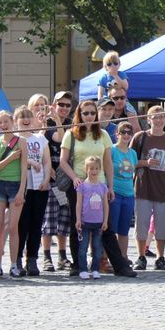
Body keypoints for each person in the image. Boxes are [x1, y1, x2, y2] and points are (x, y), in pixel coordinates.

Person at [61, 100, 136, 278]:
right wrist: (75, 178)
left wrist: (110, 186)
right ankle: (78, 265)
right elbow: (63, 162)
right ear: (79, 114)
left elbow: (108, 163)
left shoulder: (103, 135)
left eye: (92, 113)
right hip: (79, 186)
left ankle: (120, 266)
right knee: (77, 225)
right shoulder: (71, 134)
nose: (89, 116)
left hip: (100, 185)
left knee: (106, 226)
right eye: (85, 113)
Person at [130, 105, 165, 271]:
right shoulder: (140, 137)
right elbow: (128, 161)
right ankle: (141, 256)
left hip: (163, 189)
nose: (158, 120)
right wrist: (145, 163)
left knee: (163, 226)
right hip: (143, 187)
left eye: (161, 117)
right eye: (154, 117)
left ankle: (160, 257)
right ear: (148, 120)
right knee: (141, 225)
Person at [0, 110, 28, 279]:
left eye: (6, 121)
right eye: (0, 123)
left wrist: (21, 192)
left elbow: (24, 169)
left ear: (12, 122)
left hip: (16, 185)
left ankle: (13, 265)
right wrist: (10, 158)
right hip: (0, 185)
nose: (4, 125)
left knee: (12, 227)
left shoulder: (22, 142)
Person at [16, 106, 51, 276]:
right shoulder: (14, 139)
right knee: (22, 224)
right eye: (21, 117)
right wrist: (31, 162)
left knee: (36, 225)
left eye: (28, 116)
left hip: (39, 185)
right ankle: (17, 259)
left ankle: (32, 259)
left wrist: (45, 180)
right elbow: (17, 157)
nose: (25, 119)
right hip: (22, 186)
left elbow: (46, 161)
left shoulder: (40, 139)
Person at [41, 91, 73, 272]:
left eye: (68, 105)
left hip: (67, 178)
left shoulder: (73, 124)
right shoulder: (47, 125)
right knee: (49, 219)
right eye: (61, 104)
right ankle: (46, 256)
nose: (64, 108)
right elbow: (59, 140)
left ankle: (62, 256)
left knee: (64, 220)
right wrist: (51, 173)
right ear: (54, 105)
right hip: (51, 176)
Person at [75, 156, 109, 280]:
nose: (94, 171)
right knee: (83, 247)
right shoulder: (82, 186)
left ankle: (95, 269)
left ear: (100, 170)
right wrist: (78, 219)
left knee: (97, 247)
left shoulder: (103, 187)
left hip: (98, 222)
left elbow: (105, 205)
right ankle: (83, 269)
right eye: (91, 169)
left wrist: (105, 220)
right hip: (85, 221)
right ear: (86, 169)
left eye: (96, 169)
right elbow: (78, 204)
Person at [109, 121, 137, 259]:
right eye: (123, 132)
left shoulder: (133, 153)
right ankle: (108, 257)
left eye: (129, 133)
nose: (126, 135)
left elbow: (136, 169)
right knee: (111, 228)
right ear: (117, 134)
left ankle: (123, 257)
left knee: (124, 229)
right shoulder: (112, 150)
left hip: (129, 194)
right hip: (115, 192)